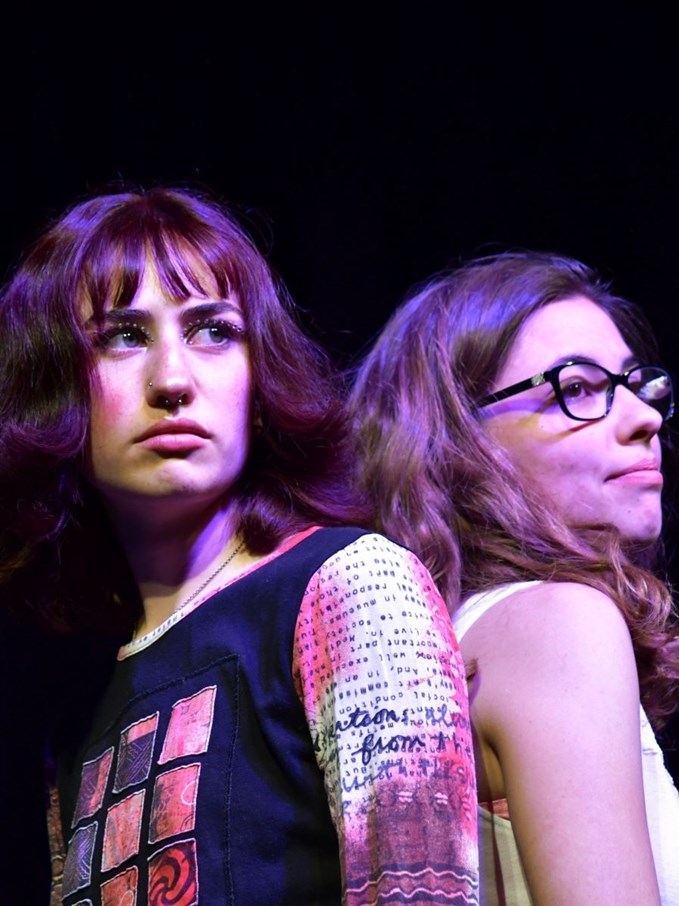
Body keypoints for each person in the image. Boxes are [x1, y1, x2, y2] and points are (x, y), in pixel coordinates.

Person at [0, 187, 479, 905]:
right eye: (123, 336)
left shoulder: (354, 587)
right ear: (54, 384)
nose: (172, 381)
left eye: (213, 331)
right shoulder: (77, 713)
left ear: (260, 377)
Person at [350, 251, 679, 905]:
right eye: (579, 388)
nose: (646, 418)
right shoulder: (558, 622)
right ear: (457, 441)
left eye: (635, 385)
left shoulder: (454, 642)